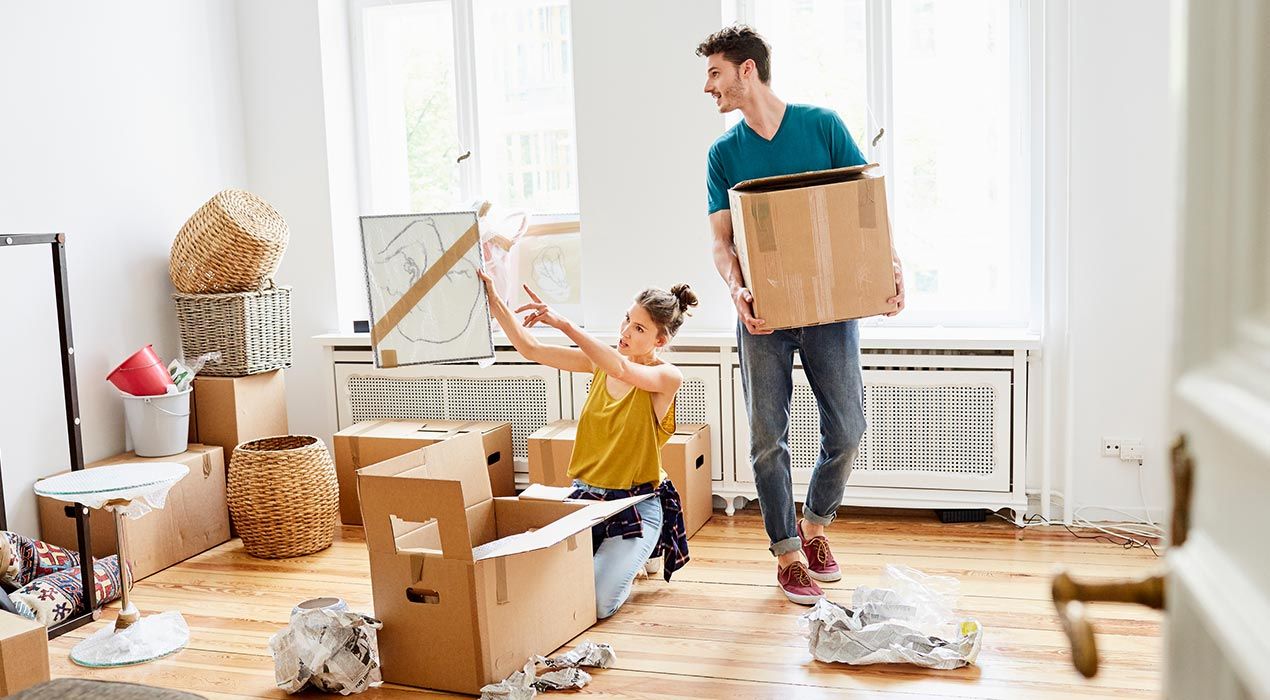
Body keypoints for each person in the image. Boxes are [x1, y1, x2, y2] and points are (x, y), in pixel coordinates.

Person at [696, 25, 907, 605]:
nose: (706, 86)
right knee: (768, 438)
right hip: (763, 314)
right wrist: (736, 291)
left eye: (714, 72)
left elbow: (865, 208)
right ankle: (788, 553)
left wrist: (889, 267)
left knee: (848, 429)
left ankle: (815, 526)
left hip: (830, 310)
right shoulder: (724, 154)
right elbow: (722, 242)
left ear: (746, 70)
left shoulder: (823, 126)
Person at [479, 271, 697, 619]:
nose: (625, 331)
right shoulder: (600, 363)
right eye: (628, 319)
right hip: (587, 499)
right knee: (546, 589)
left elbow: (623, 371)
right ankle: (633, 555)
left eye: (639, 329)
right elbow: (530, 348)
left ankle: (642, 549)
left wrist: (563, 323)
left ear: (659, 341)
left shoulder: (667, 377)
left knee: (595, 604)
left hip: (637, 503)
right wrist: (493, 302)